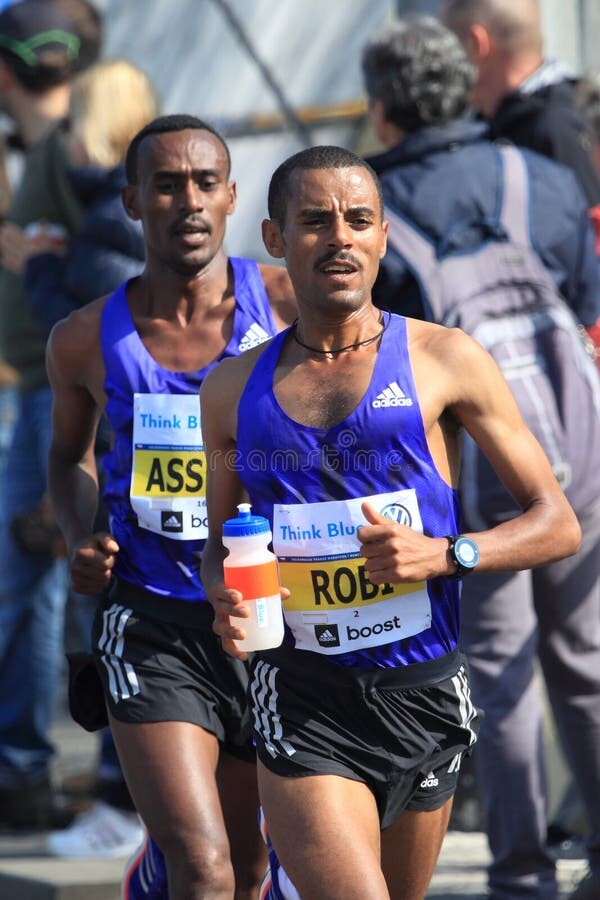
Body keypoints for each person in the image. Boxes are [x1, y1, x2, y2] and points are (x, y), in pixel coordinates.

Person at [199, 143, 581, 900]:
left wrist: (445, 555)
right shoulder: (231, 390)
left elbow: (557, 522)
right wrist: (226, 599)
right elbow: (220, 547)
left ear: (382, 235)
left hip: (424, 691)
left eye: (358, 219)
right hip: (302, 694)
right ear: (275, 237)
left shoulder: (446, 358)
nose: (339, 237)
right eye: (315, 220)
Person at [361, 16, 600, 900]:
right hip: (577, 437)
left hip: (473, 465)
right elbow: (585, 303)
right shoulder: (541, 178)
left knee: (500, 675)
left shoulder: (372, 210)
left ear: (381, 107)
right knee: (587, 660)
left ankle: (522, 874)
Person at [46, 114, 296, 898]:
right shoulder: (83, 338)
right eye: (165, 184)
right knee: (206, 866)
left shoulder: (284, 301)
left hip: (261, 620)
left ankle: (153, 872)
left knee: (250, 867)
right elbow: (66, 457)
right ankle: (170, 864)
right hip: (150, 620)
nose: (187, 200)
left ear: (230, 197)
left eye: (203, 183)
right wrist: (79, 534)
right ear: (131, 201)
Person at [14, 57, 158, 860]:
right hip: (132, 449)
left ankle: (121, 799)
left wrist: (35, 264)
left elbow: (88, 334)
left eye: (74, 121)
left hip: (113, 449)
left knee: (109, 617)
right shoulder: (122, 213)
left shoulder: (111, 218)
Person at [0, 0, 101, 830]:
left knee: (47, 583)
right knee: (37, 587)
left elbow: (102, 278)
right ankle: (30, 770)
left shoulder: (74, 151)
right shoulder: (48, 150)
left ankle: (48, 772)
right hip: (44, 390)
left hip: (59, 398)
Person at [438, 0, 600, 209]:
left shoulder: (558, 126)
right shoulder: (487, 122)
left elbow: (587, 224)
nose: (437, 65)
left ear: (476, 44)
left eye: (446, 50)